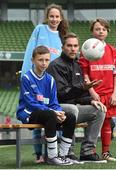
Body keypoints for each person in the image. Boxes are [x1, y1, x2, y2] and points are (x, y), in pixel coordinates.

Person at [47, 32, 107, 163]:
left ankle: (87, 151)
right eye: (69, 45)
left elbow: (80, 96)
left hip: (73, 108)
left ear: (79, 48)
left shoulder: (78, 65)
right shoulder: (55, 65)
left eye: (75, 46)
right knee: (73, 109)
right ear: (63, 47)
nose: (73, 49)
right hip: (56, 109)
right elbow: (61, 94)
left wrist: (91, 100)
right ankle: (68, 151)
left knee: (100, 110)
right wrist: (82, 88)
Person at [20, 3, 69, 163]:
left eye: (57, 16)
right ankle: (39, 154)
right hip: (37, 77)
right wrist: (27, 73)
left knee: (56, 114)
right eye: (51, 16)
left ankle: (55, 153)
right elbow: (30, 51)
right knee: (40, 112)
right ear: (47, 17)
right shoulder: (39, 29)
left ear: (61, 19)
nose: (54, 19)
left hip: (54, 81)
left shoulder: (62, 36)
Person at [16, 46, 76, 165]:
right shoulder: (26, 78)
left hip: (48, 113)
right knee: (49, 114)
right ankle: (52, 157)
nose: (44, 63)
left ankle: (63, 155)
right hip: (29, 113)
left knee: (70, 117)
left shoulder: (50, 80)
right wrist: (53, 112)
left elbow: (54, 103)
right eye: (40, 60)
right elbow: (31, 103)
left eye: (47, 60)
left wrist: (59, 112)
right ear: (33, 60)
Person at [79, 18, 116, 161]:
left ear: (107, 31)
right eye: (97, 29)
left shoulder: (112, 50)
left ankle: (106, 152)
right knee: (93, 123)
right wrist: (92, 92)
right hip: (95, 94)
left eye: (103, 29)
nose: (100, 31)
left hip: (109, 93)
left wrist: (115, 93)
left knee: (107, 122)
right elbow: (84, 73)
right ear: (92, 31)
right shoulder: (86, 48)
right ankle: (90, 151)